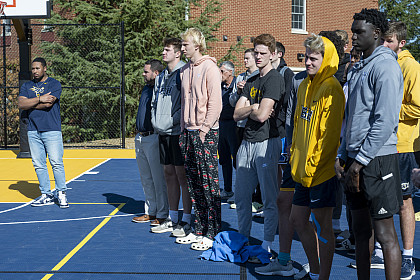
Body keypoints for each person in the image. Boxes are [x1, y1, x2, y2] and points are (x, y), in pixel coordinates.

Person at [335, 8, 404, 280]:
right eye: (352, 32)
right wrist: (344, 154)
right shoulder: (359, 67)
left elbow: (385, 121)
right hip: (354, 157)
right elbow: (352, 118)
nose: (353, 37)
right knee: (360, 231)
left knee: (385, 234)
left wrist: (360, 162)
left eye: (359, 32)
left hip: (377, 160)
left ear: (376, 33)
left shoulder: (386, 66)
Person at [289, 34, 345, 280]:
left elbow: (329, 137)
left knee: (324, 229)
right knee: (297, 220)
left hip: (321, 172)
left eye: (313, 58)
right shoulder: (303, 85)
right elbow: (298, 127)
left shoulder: (331, 88)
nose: (307, 62)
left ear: (326, 59)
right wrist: (294, 158)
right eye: (306, 57)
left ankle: (324, 277)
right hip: (301, 171)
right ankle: (315, 269)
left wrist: (312, 167)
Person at [233, 33, 285, 254]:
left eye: (263, 53)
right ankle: (243, 238)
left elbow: (263, 115)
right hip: (246, 142)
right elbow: (236, 114)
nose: (259, 56)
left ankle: (267, 244)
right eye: (256, 52)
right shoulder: (252, 80)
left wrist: (253, 109)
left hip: (267, 143)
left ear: (273, 55)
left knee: (268, 198)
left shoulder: (274, 78)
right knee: (241, 196)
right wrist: (253, 108)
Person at [175, 28, 222, 251]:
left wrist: (203, 130)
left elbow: (216, 104)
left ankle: (213, 231)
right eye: (182, 44)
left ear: (197, 45)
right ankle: (199, 228)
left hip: (206, 133)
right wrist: (184, 130)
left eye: (186, 44)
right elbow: (184, 103)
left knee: (209, 183)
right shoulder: (184, 71)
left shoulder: (210, 68)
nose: (183, 48)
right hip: (188, 133)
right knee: (193, 183)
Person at [382, 21, 420, 280]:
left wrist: (389, 109)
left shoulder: (411, 66)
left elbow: (416, 107)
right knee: (383, 199)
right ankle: (380, 249)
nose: (385, 45)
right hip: (384, 144)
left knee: (405, 203)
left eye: (389, 41)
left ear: (401, 43)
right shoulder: (386, 64)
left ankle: (407, 257)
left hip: (404, 145)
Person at [149, 38, 193, 237]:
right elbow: (154, 102)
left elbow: (186, 104)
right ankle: (172, 217)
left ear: (178, 53)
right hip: (162, 132)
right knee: (168, 174)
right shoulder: (161, 77)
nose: (163, 52)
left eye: (167, 50)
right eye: (163, 49)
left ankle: (186, 219)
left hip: (177, 132)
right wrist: (156, 121)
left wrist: (172, 121)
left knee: (182, 176)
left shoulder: (183, 73)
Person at [18, 57, 68, 208]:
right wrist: (39, 98)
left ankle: (61, 193)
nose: (34, 71)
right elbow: (21, 103)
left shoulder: (54, 83)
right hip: (33, 130)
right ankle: (46, 194)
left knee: (56, 163)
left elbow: (48, 104)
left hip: (51, 130)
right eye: (33, 69)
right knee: (39, 165)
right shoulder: (27, 85)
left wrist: (30, 103)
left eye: (37, 68)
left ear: (45, 68)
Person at [132, 59, 169, 227]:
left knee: (158, 178)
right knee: (146, 178)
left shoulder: (160, 90)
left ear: (156, 73)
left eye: (146, 71)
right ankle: (150, 211)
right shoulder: (146, 89)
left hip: (154, 137)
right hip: (140, 137)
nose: (143, 74)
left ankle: (162, 214)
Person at [218, 61, 238, 199]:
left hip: (233, 125)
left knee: (237, 159)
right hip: (221, 125)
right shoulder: (219, 86)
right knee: (224, 159)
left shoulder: (238, 85)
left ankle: (243, 190)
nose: (220, 74)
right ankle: (227, 189)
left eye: (222, 71)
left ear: (230, 72)